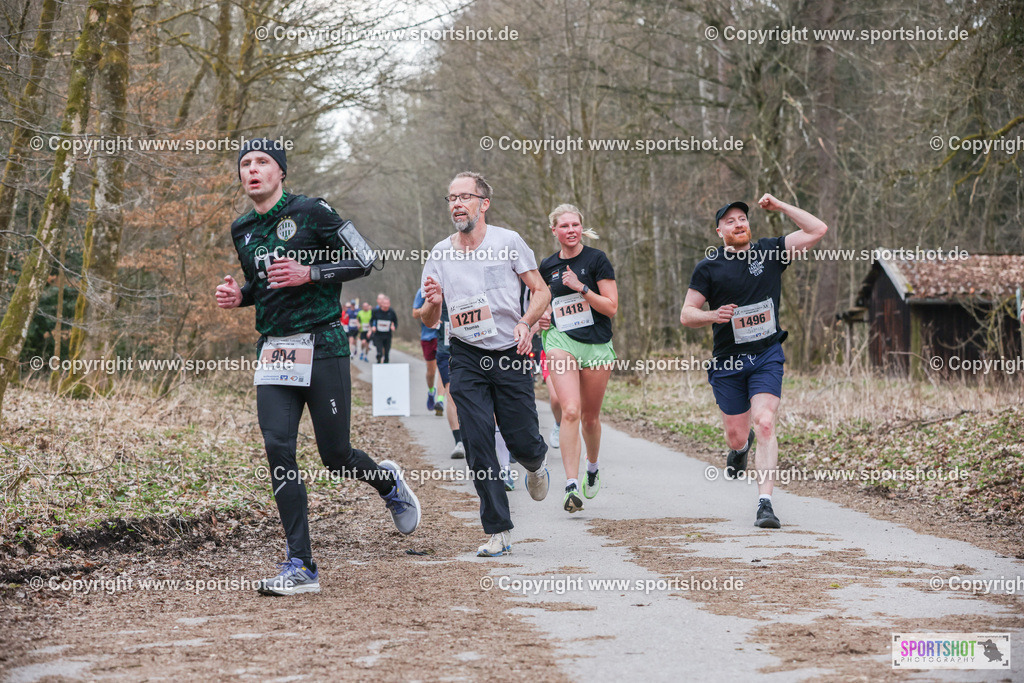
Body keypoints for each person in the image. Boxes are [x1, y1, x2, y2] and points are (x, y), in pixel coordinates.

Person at [215, 138, 420, 596]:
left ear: (281, 172)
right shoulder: (242, 228)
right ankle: (302, 565)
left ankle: (385, 481)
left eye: (262, 162)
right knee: (277, 449)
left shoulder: (312, 213)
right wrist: (239, 296)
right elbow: (260, 283)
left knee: (336, 456)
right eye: (245, 164)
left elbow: (368, 259)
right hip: (274, 352)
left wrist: (312, 273)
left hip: (322, 344)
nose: (252, 170)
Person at [419, 171, 551, 557]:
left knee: (522, 440)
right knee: (478, 442)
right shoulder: (439, 253)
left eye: (465, 197)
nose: (457, 204)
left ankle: (535, 464)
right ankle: (498, 531)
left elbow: (541, 290)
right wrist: (434, 302)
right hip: (465, 355)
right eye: (451, 198)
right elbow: (428, 319)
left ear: (484, 203)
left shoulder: (508, 242)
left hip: (510, 351)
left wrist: (526, 323)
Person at [680, 194, 828, 529]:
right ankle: (739, 448)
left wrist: (782, 207)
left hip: (766, 355)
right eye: (729, 221)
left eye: (742, 219)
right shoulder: (709, 267)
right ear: (720, 231)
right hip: (729, 362)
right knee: (737, 435)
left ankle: (765, 503)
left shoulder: (770, 251)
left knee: (764, 422)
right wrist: (712, 315)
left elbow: (818, 229)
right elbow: (686, 315)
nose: (738, 224)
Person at [538, 204, 618, 513]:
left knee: (590, 417)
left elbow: (611, 308)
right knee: (570, 409)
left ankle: (593, 467)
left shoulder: (597, 260)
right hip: (562, 341)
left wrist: (582, 288)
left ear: (581, 228)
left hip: (597, 346)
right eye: (564, 226)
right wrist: (543, 317)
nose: (571, 230)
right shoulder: (547, 266)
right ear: (554, 231)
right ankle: (571, 485)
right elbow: (545, 304)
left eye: (575, 225)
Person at [413, 286, 444, 415]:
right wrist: (430, 311)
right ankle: (431, 392)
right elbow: (414, 313)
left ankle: (440, 401)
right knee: (431, 372)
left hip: (443, 335)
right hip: (428, 336)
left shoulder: (449, 287)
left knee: (443, 368)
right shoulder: (422, 291)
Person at [369, 296, 398, 363]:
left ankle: (386, 364)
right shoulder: (375, 311)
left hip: (387, 335)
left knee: (387, 353)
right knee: (379, 352)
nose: (386, 305)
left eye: (387, 304)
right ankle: (379, 361)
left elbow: (395, 322)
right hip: (378, 334)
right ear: (381, 304)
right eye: (384, 304)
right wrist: (373, 326)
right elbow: (371, 320)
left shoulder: (392, 312)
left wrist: (394, 327)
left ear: (389, 304)